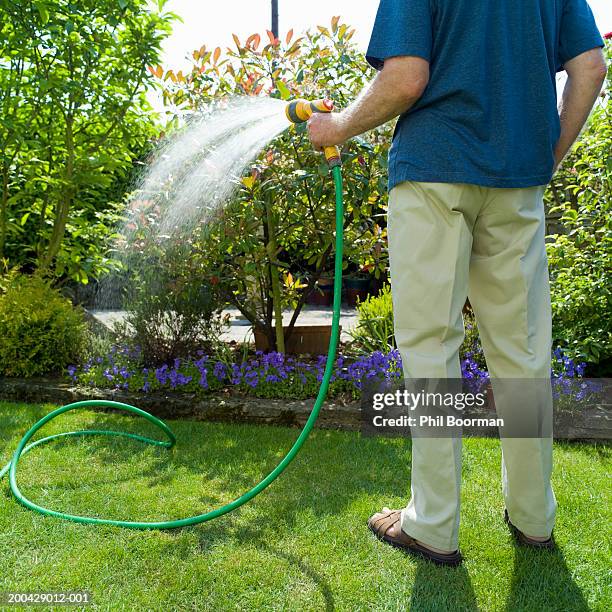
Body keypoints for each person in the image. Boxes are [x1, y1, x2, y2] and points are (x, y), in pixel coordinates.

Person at [307, 0, 606, 566]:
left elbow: (405, 78)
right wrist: (546, 157)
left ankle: (434, 526)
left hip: (433, 173)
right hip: (516, 181)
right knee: (523, 355)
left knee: (431, 349)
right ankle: (534, 518)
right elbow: (590, 66)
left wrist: (339, 126)